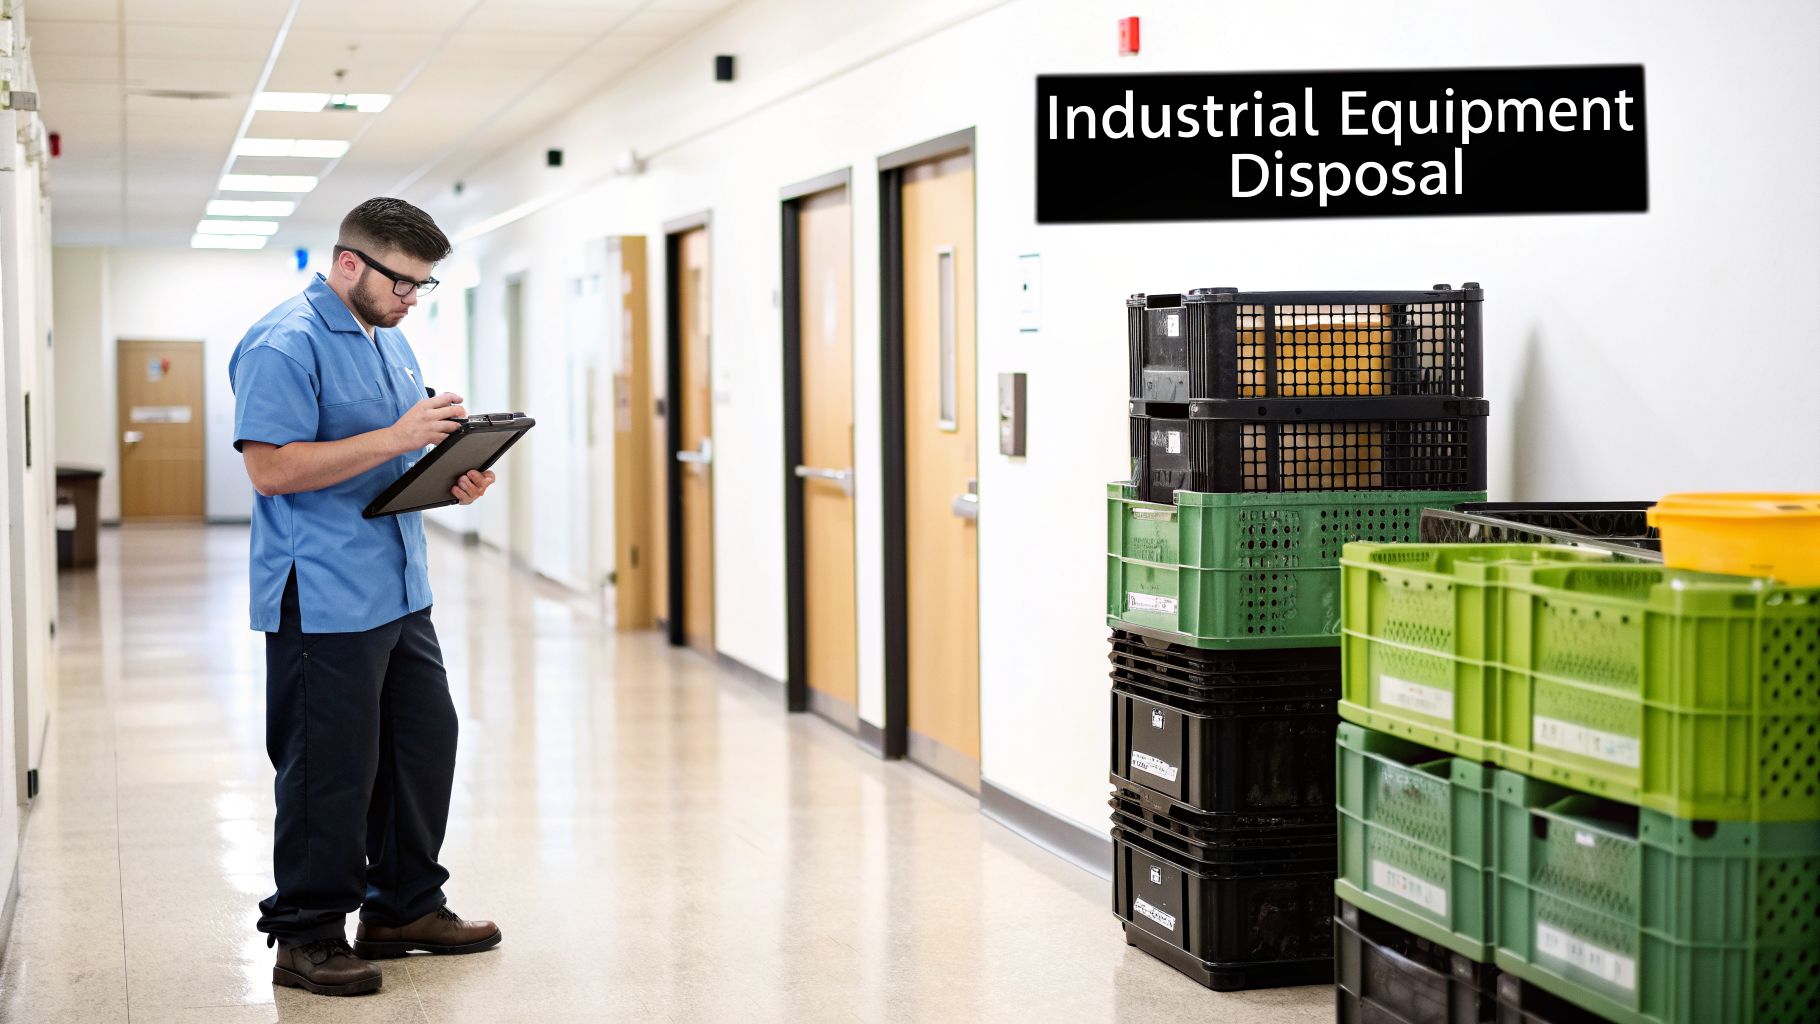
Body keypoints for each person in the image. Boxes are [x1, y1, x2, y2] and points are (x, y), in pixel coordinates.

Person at [228, 197, 501, 996]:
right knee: (330, 767)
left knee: (424, 742)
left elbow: (383, 466)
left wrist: (451, 480)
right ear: (350, 264)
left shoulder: (387, 341)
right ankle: (308, 935)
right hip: (321, 592)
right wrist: (397, 437)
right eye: (403, 283)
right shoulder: (286, 343)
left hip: (396, 585)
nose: (412, 299)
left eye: (423, 287)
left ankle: (404, 905)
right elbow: (271, 469)